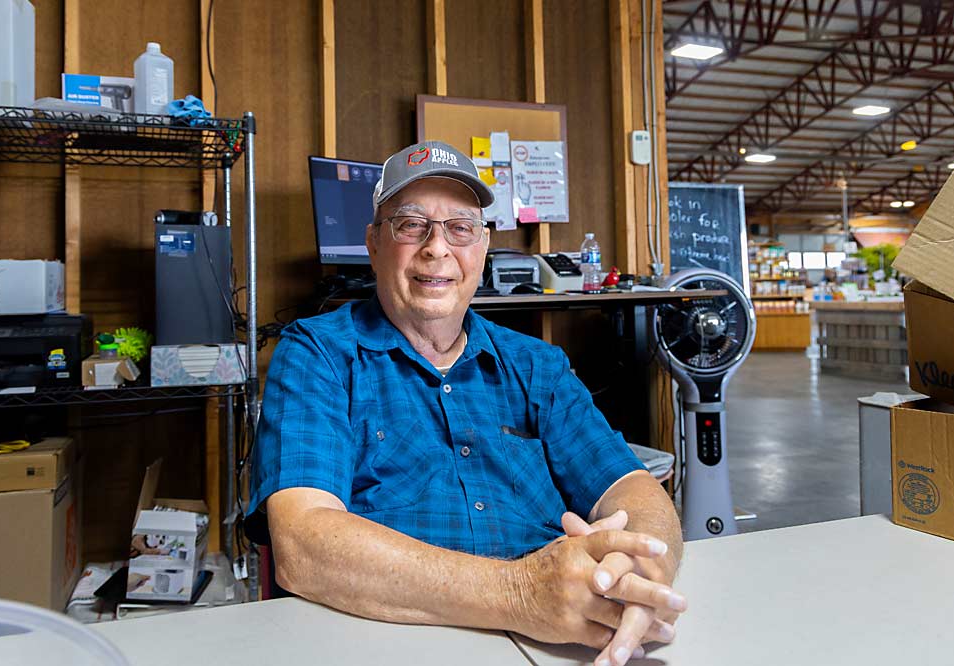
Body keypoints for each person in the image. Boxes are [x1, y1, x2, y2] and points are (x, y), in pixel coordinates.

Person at [246, 141, 685, 666]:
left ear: (482, 246)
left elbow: (630, 487)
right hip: (388, 644)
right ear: (373, 242)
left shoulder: (536, 365)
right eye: (411, 225)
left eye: (460, 227)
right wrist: (520, 593)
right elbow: (303, 544)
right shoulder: (317, 354)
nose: (437, 248)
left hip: (563, 644)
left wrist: (636, 570)